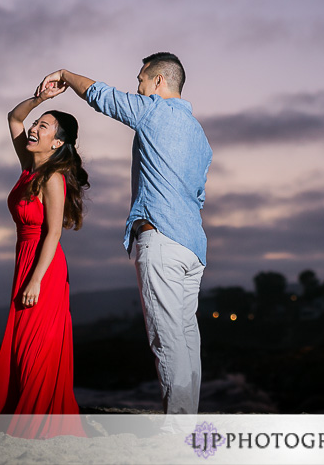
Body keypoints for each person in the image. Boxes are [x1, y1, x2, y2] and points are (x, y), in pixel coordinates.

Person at [37, 52, 211, 418]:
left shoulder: (153, 111)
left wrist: (66, 74)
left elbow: (102, 96)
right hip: (193, 247)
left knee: (167, 341)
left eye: (142, 80)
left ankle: (178, 432)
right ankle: (189, 422)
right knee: (186, 340)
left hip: (161, 239)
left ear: (159, 82)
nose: (138, 87)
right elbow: (199, 195)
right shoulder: (199, 135)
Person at [0, 83, 88, 439]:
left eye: (45, 126)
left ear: (57, 143)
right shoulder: (28, 165)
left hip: (44, 268)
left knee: (34, 348)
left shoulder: (52, 178)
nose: (35, 128)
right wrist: (42, 99)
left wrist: (36, 280)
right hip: (24, 261)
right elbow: (14, 117)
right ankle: (21, 419)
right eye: (37, 123)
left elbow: (54, 233)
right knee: (21, 346)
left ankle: (36, 427)